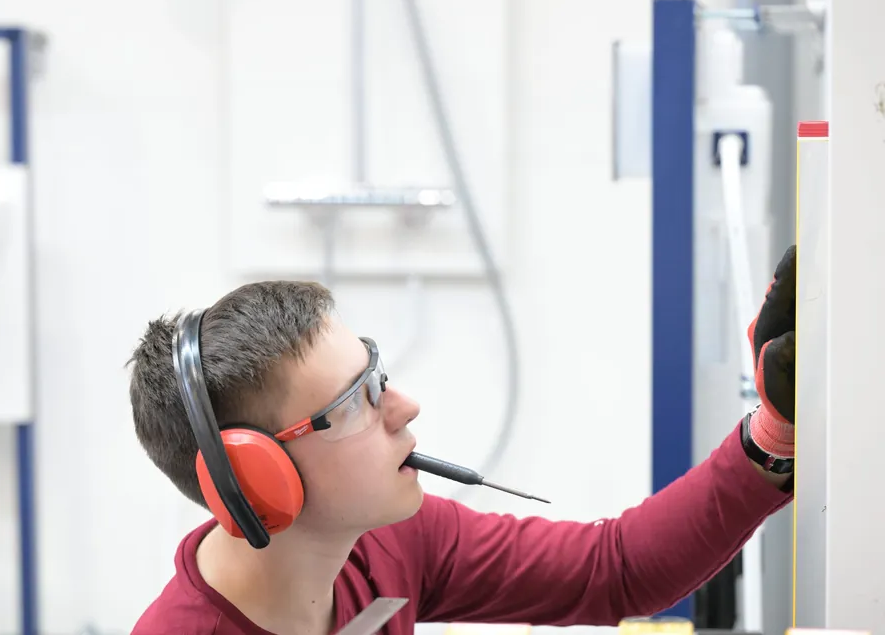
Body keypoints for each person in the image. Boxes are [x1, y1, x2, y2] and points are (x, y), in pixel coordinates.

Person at [126, 246, 797, 635]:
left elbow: (612, 568)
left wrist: (771, 434)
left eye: (376, 372)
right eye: (354, 399)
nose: (404, 404)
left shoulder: (386, 542)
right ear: (260, 481)